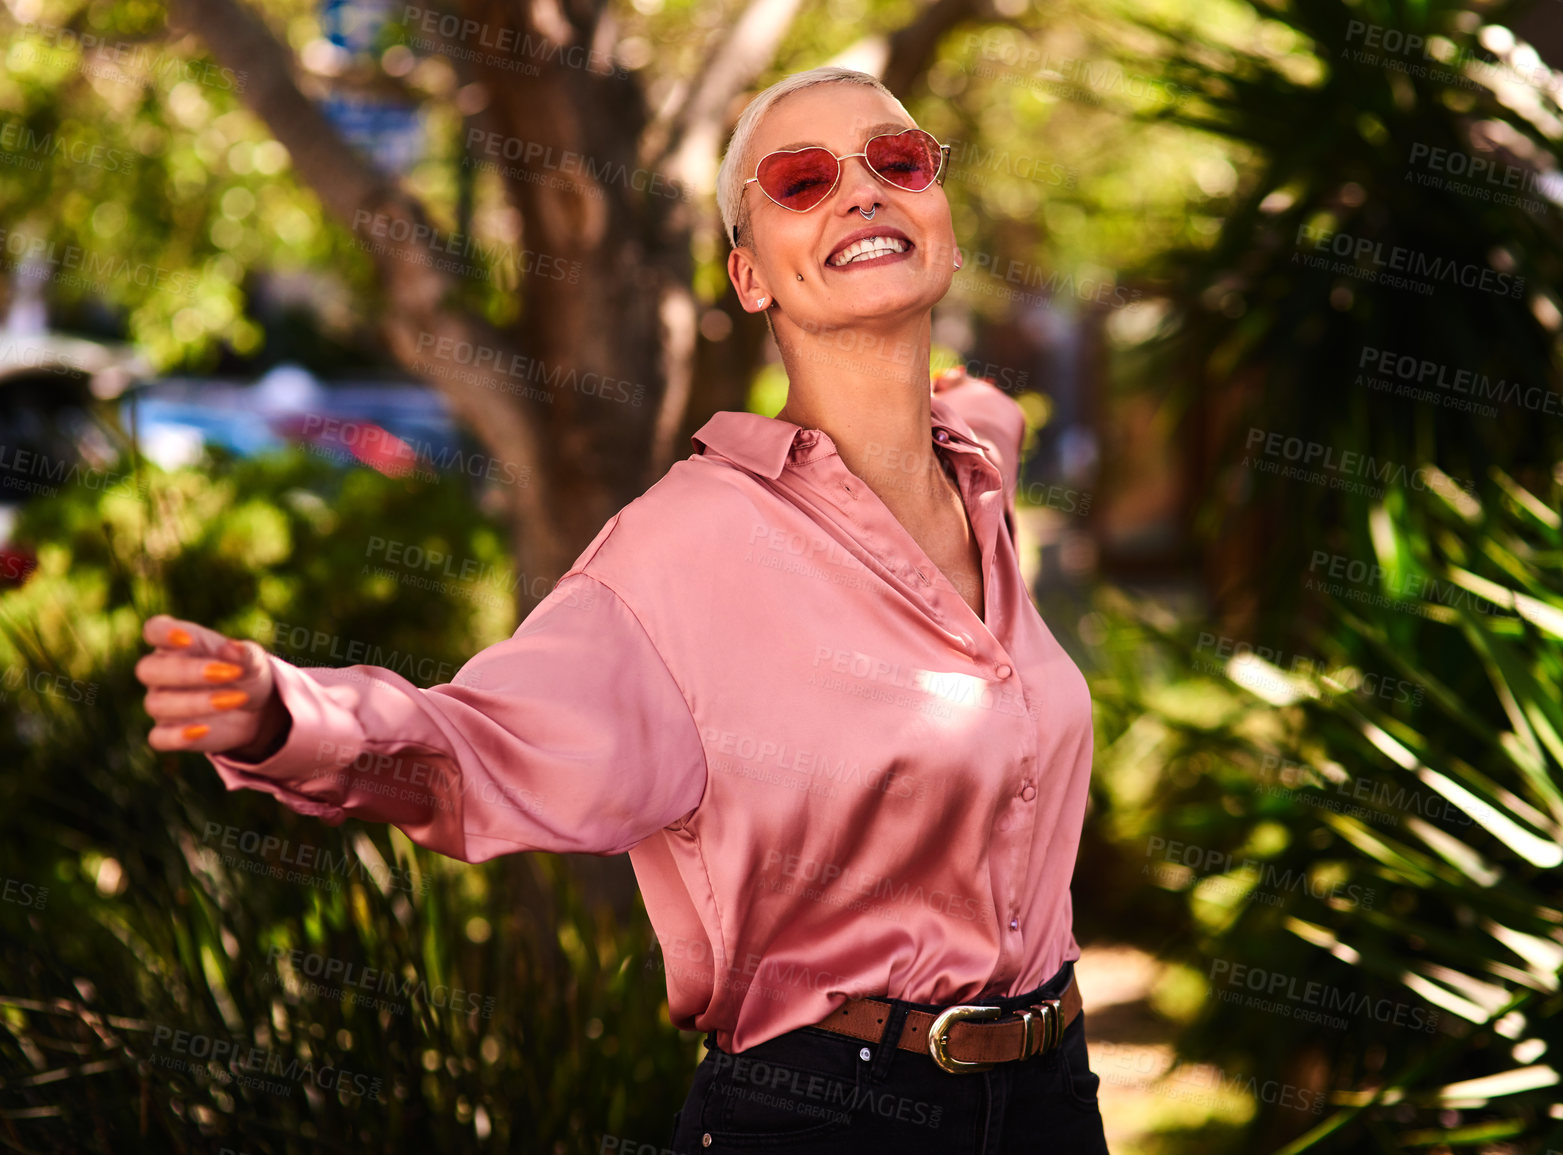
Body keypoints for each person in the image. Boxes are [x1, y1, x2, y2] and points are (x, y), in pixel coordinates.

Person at [134, 64, 1110, 1154]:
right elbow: (480, 745)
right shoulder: (683, 549)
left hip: (1054, 1100)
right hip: (829, 1114)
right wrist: (286, 717)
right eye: (799, 180)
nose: (862, 192)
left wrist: (969, 404)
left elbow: (977, 409)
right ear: (750, 279)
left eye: (897, 160)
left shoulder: (978, 473)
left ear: (944, 217)